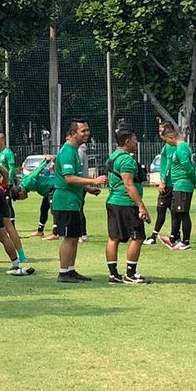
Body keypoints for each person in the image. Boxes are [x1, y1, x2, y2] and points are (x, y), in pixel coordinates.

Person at [53, 119, 107, 283]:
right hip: (65, 200)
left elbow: (74, 178)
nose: (87, 133)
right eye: (83, 131)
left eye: (87, 130)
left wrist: (88, 189)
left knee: (74, 236)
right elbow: (69, 178)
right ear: (72, 133)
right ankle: (63, 273)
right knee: (69, 237)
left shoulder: (74, 151)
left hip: (73, 200)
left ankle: (70, 270)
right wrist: (93, 181)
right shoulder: (68, 152)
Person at [105, 128, 152, 284]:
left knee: (114, 238)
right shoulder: (126, 160)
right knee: (138, 237)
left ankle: (113, 275)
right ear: (127, 141)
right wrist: (141, 206)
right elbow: (129, 184)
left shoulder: (113, 156)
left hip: (113, 201)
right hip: (126, 204)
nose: (136, 142)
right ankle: (130, 274)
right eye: (134, 139)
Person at [158, 123, 196, 250]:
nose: (167, 143)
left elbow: (188, 167)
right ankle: (173, 239)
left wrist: (195, 182)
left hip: (183, 185)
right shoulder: (180, 147)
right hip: (178, 185)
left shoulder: (181, 148)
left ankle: (186, 241)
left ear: (171, 137)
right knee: (177, 211)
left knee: (183, 213)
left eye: (166, 140)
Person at [145, 122, 174, 246]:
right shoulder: (168, 145)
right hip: (170, 184)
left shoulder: (170, 146)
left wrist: (163, 182)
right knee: (170, 211)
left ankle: (154, 236)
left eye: (161, 129)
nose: (159, 132)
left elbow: (168, 165)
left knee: (163, 210)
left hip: (169, 184)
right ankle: (174, 236)